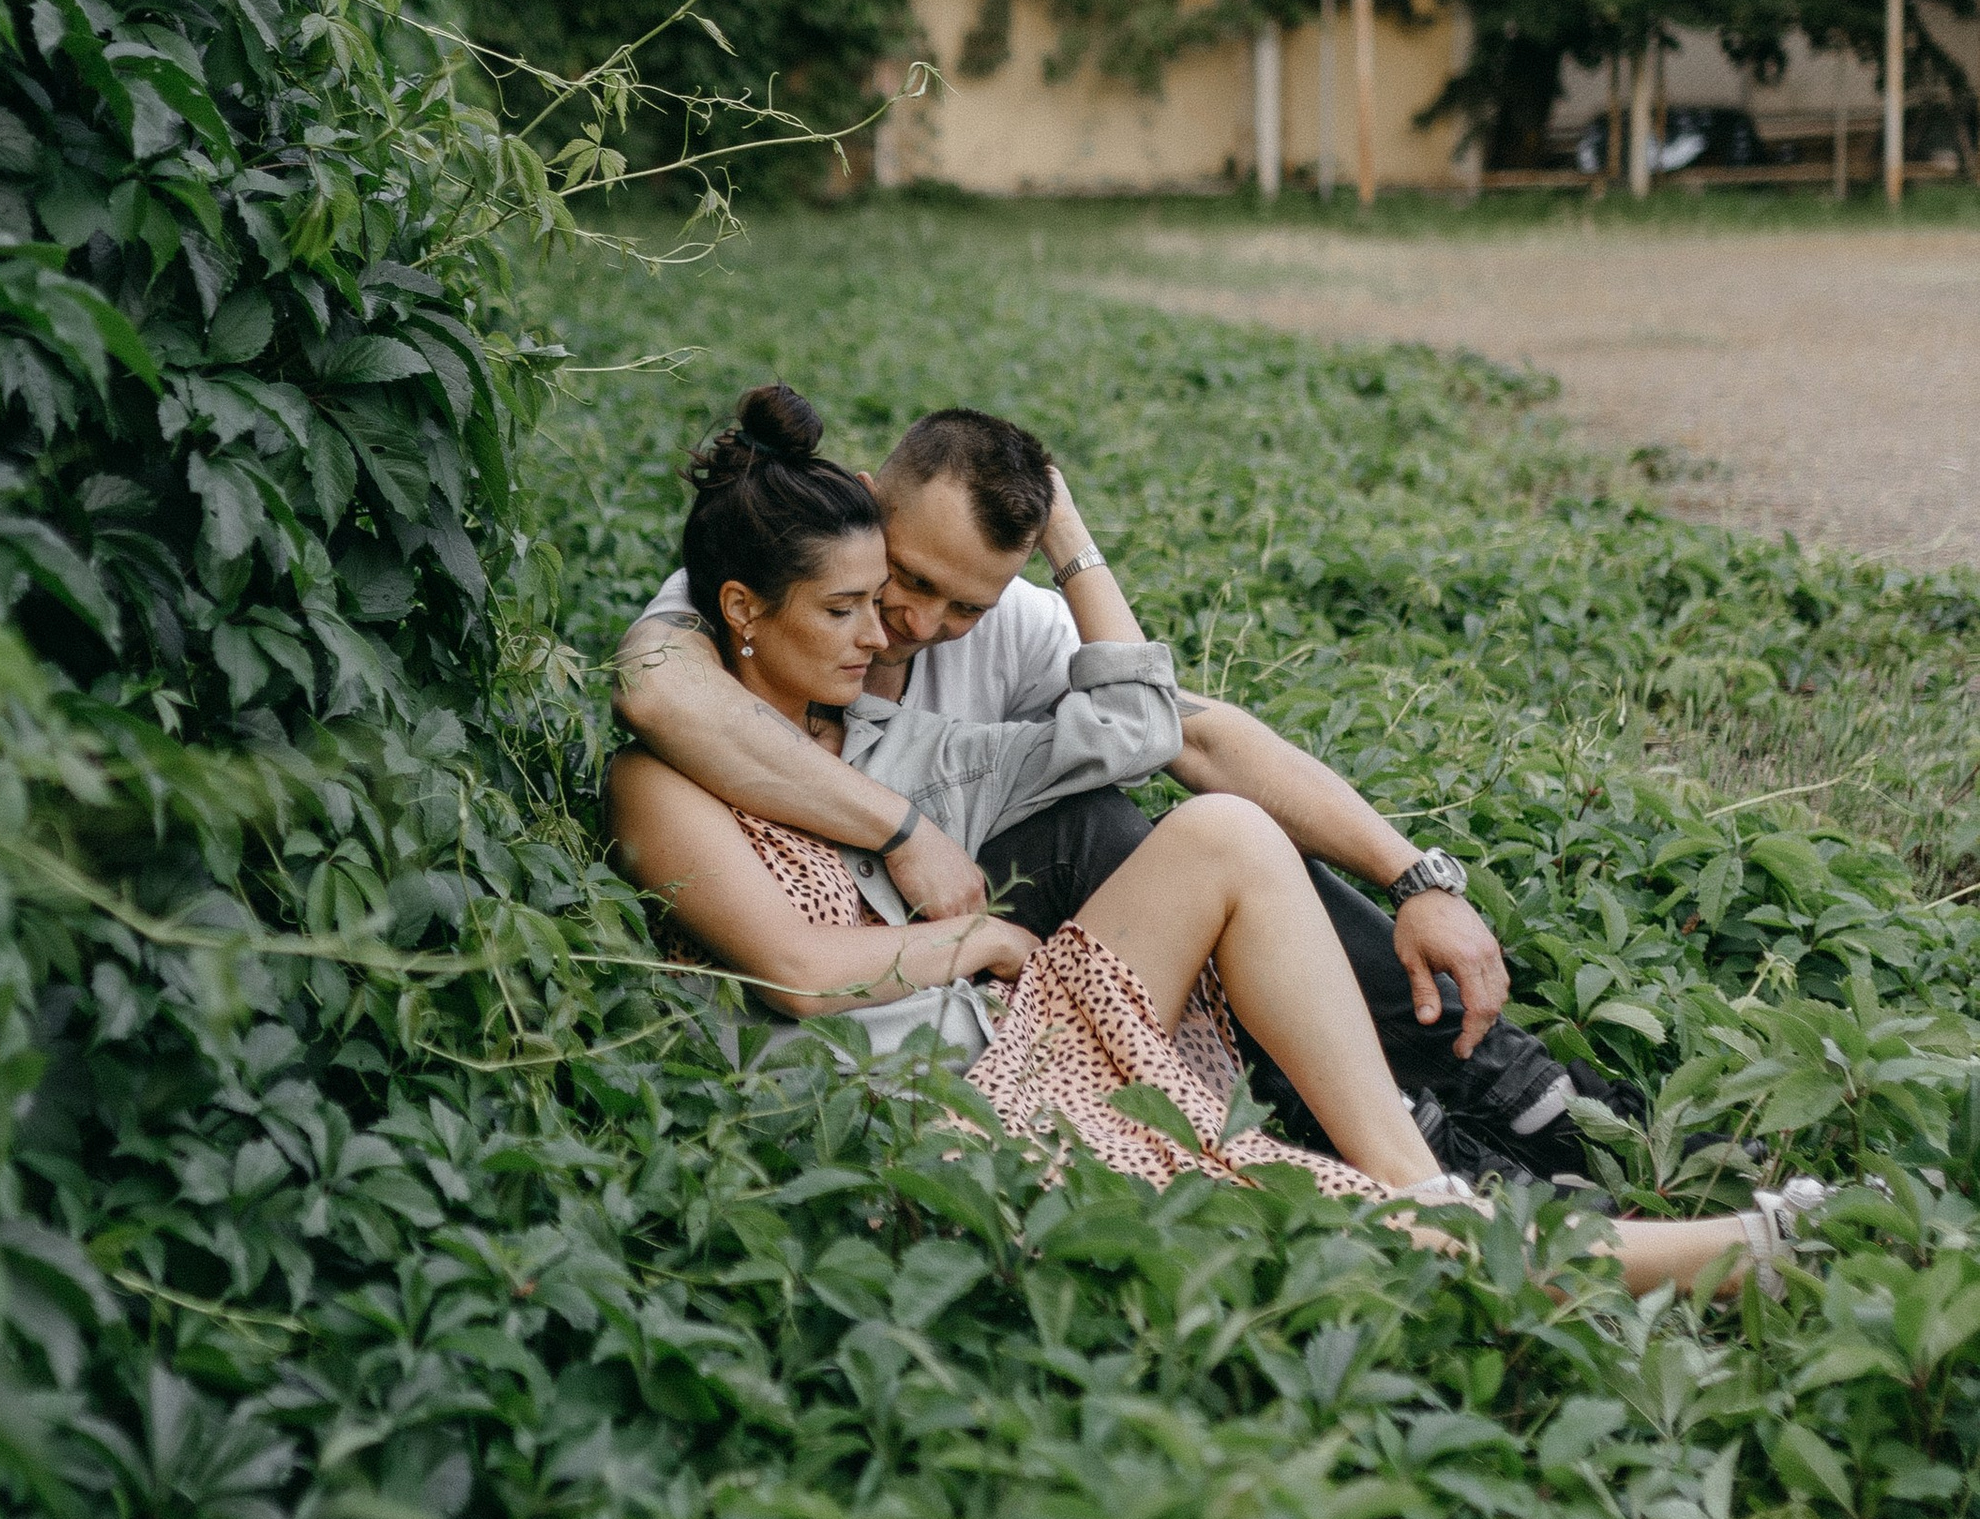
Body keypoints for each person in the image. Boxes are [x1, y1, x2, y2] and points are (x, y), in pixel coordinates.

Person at [609, 387, 1827, 1297]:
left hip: (1000, 998)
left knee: (1218, 829)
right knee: (1122, 891)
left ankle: (1429, 1172)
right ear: (754, 605)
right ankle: (1645, 1241)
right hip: (934, 1062)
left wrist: (1415, 873)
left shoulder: (875, 705)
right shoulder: (712, 639)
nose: (897, 627)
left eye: (943, 603)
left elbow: (1176, 731)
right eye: (868, 599)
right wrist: (952, 902)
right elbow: (769, 909)